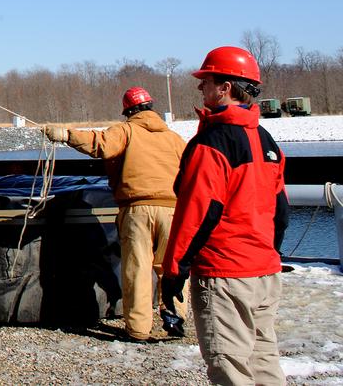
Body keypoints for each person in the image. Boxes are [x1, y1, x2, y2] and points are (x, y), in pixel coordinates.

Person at [161, 46, 288, 386]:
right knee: (264, 365)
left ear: (225, 87)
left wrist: (174, 272)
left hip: (225, 274)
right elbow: (281, 213)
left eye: (206, 81)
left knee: (230, 369)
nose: (201, 88)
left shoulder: (212, 143)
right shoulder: (266, 140)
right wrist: (266, 253)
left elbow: (197, 214)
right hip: (264, 272)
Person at [44, 87, 186, 341]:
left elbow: (100, 145)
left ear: (128, 111)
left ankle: (139, 329)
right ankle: (175, 318)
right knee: (170, 268)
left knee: (137, 269)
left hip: (137, 209)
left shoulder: (126, 131)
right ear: (151, 108)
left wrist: (65, 135)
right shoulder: (174, 138)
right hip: (173, 210)